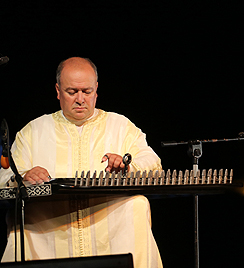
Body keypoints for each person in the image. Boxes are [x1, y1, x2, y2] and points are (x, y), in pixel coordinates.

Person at [0, 57, 163, 267]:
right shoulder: (33, 132)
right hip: (50, 231)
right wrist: (23, 176)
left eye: (86, 92)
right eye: (71, 92)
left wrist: (126, 166)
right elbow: (4, 175)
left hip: (108, 225)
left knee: (137, 204)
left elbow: (153, 162)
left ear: (96, 90)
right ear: (58, 91)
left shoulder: (120, 126)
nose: (80, 99)